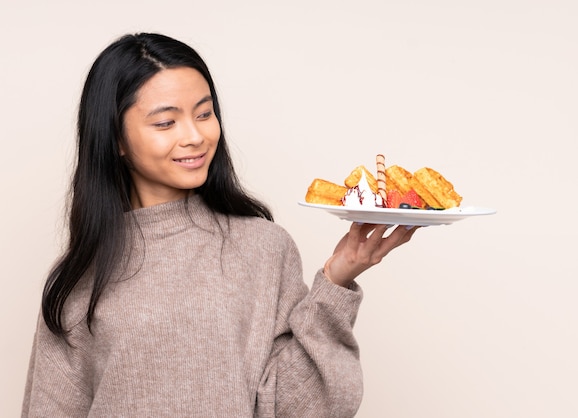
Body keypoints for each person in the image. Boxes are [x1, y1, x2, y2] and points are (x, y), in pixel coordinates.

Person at [22, 32, 417, 418]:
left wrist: (336, 280)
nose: (195, 136)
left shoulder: (263, 247)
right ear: (116, 140)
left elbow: (298, 407)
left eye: (204, 113)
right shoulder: (80, 275)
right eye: (165, 123)